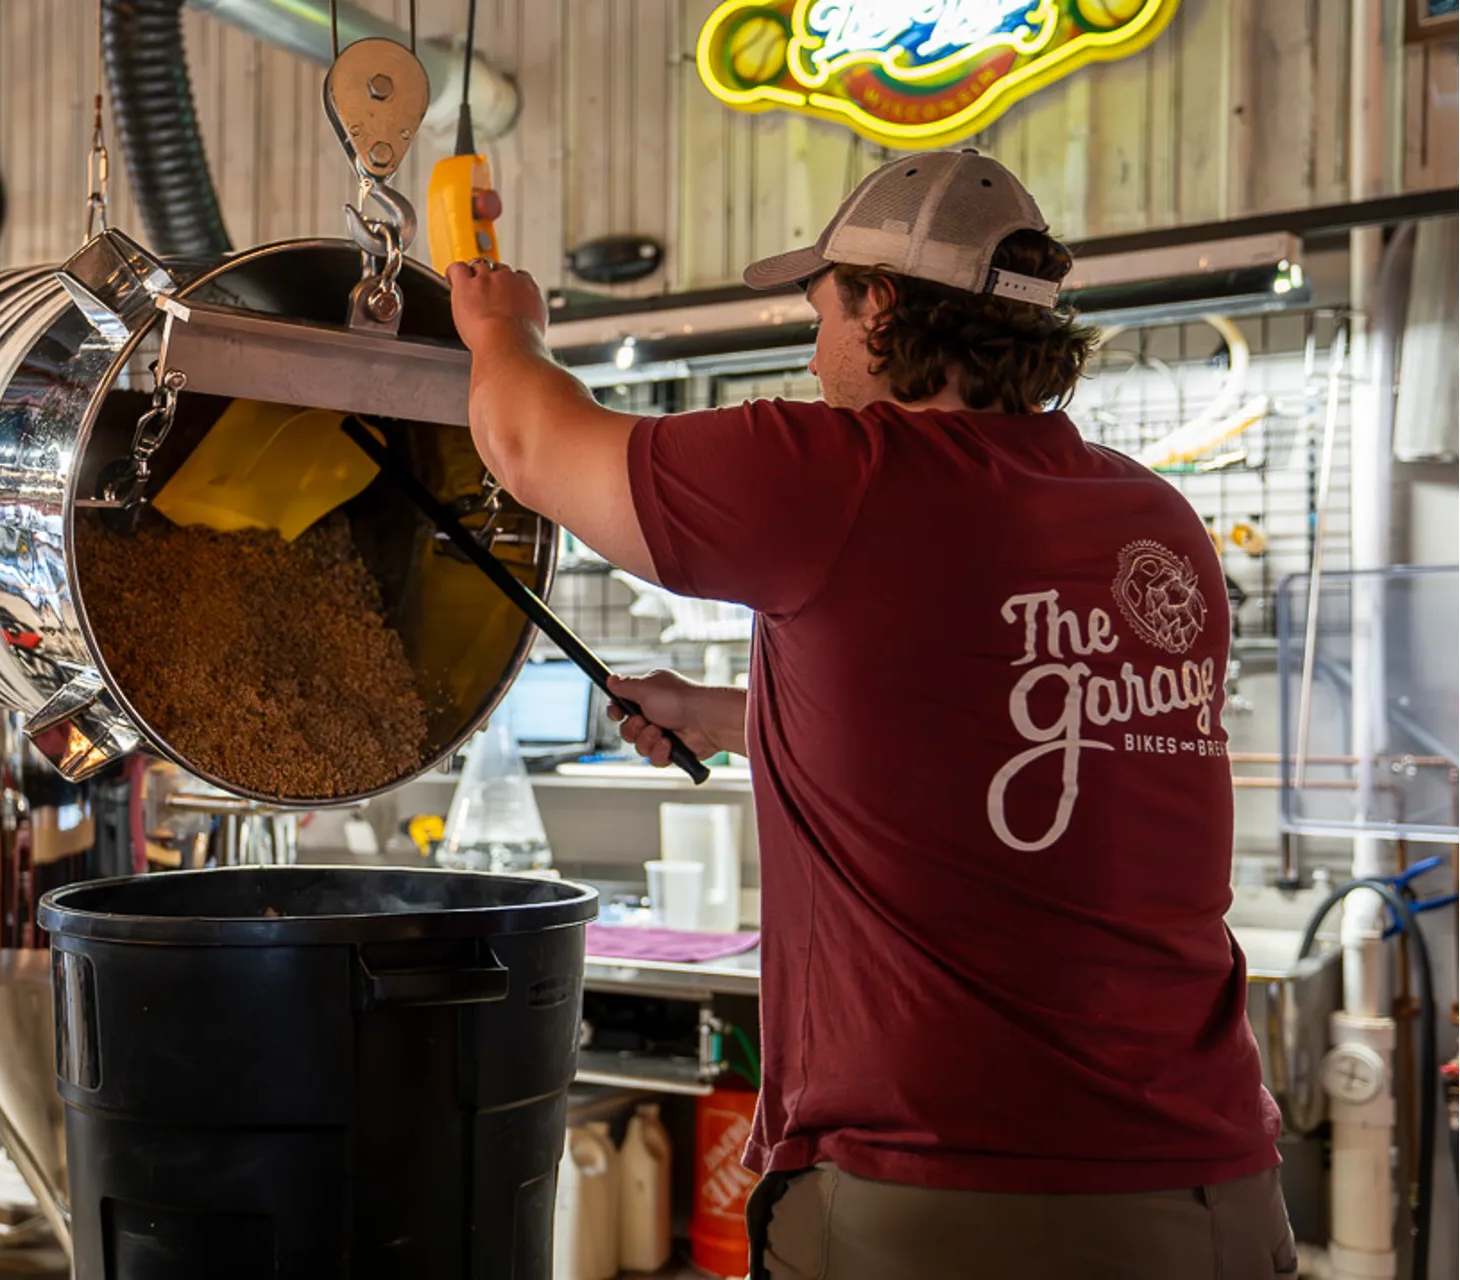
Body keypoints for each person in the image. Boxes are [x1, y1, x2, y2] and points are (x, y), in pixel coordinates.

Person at [445, 150, 1293, 1279]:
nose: (813, 349)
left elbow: (526, 444)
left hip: (940, 1199)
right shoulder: (1155, 518)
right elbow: (1000, 725)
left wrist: (505, 329)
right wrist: (732, 712)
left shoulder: (836, 469)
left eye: (823, 308)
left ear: (882, 303)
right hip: (1213, 1192)